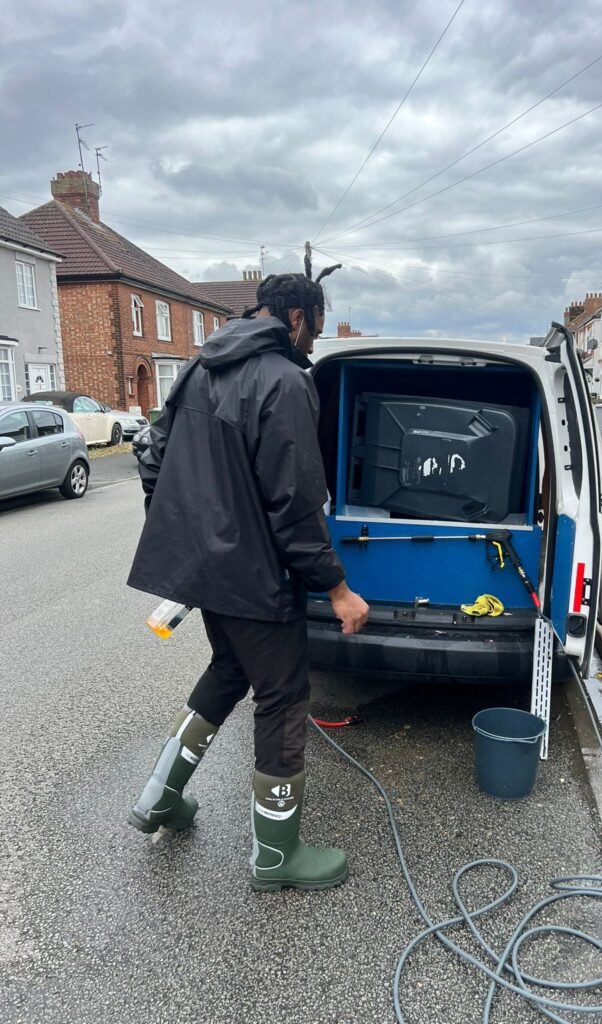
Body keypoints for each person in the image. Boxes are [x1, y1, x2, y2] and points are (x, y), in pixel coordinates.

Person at [127, 272, 369, 893]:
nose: (313, 344)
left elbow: (153, 457)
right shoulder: (285, 381)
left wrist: (195, 540)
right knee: (283, 698)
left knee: (230, 671)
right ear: (296, 318)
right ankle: (276, 857)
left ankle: (159, 798)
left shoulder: (198, 367)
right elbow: (296, 503)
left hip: (209, 574)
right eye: (315, 328)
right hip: (258, 580)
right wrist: (337, 589)